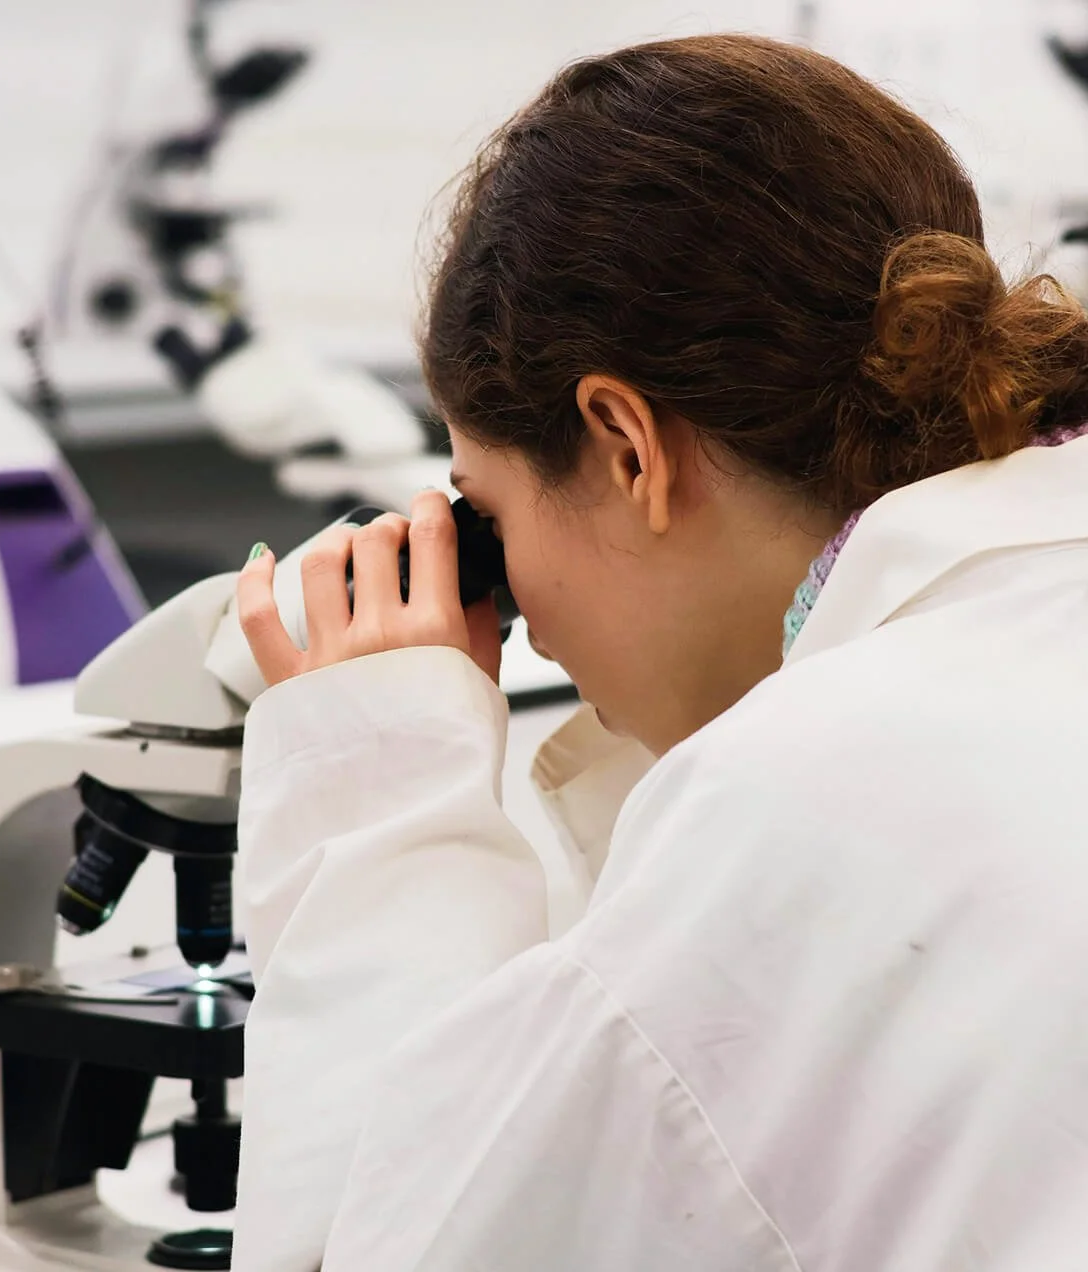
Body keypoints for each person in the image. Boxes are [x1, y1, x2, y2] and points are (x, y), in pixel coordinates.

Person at [227, 34, 1088, 1272]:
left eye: (490, 516)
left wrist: (378, 802)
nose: (520, 605)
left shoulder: (797, 805)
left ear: (627, 444)